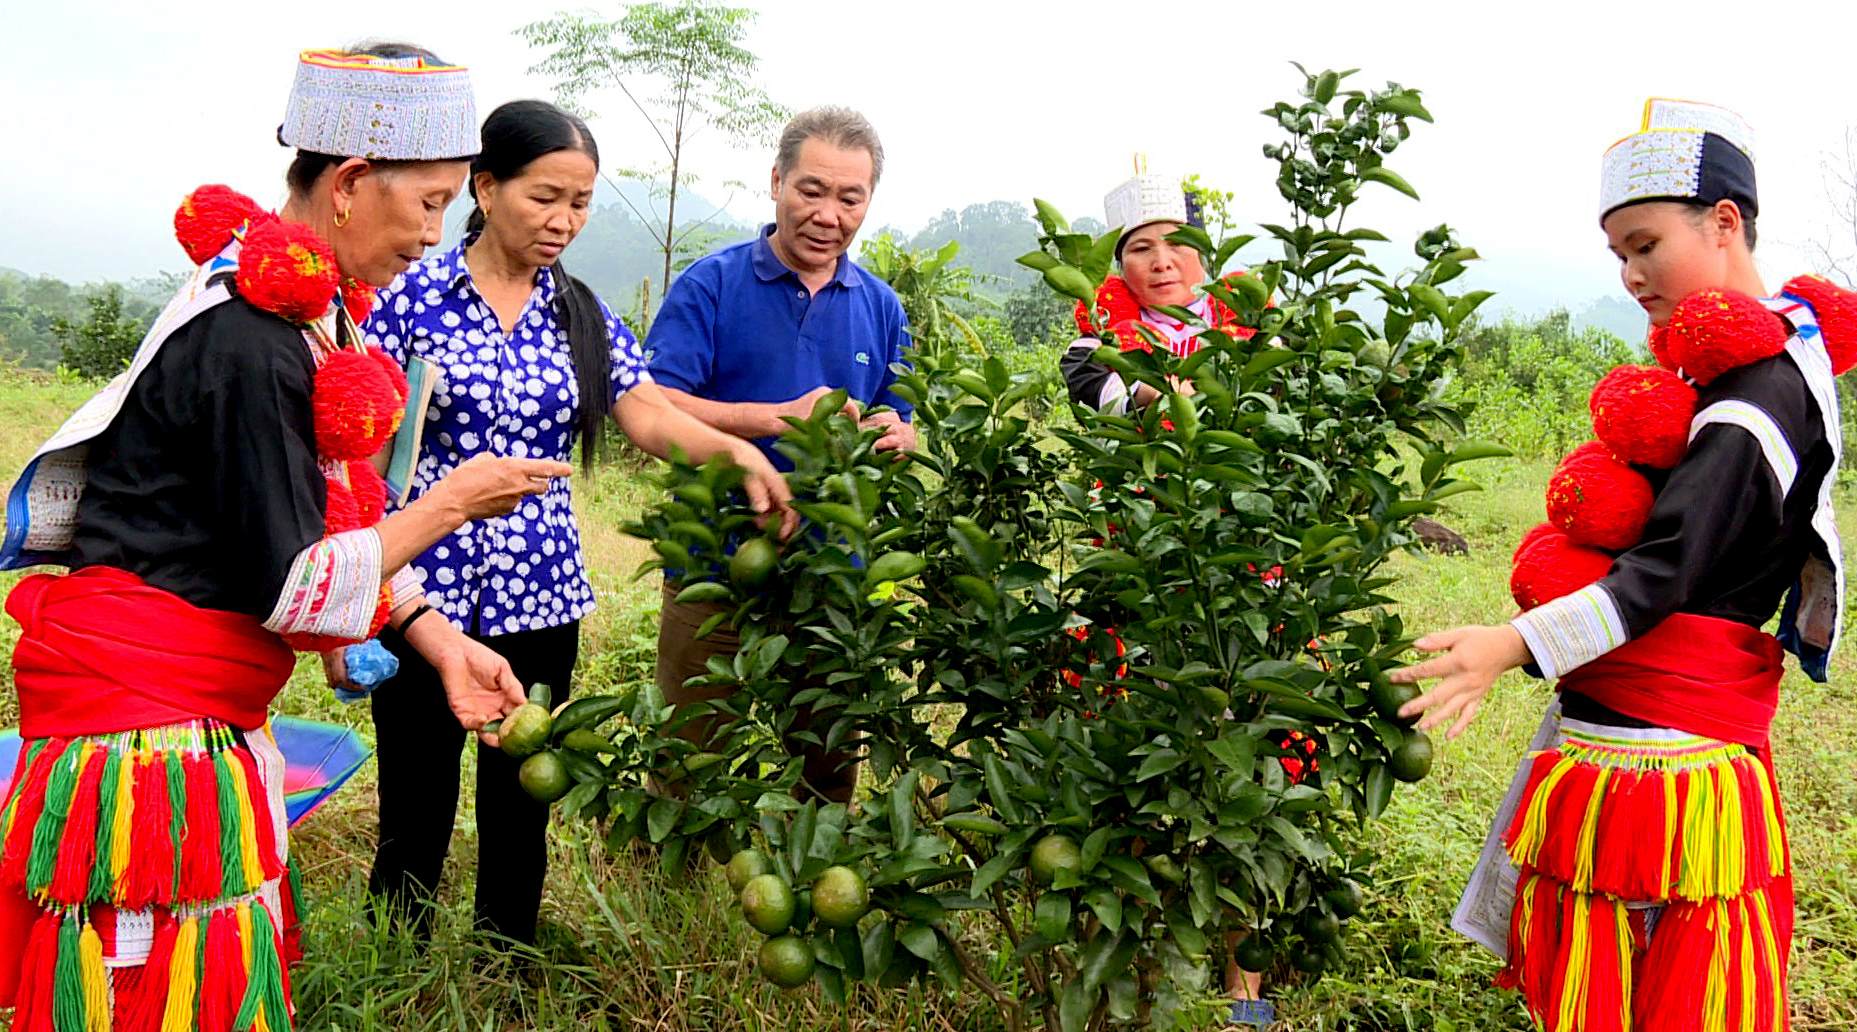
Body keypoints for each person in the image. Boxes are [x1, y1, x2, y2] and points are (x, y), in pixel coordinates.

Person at [0, 44, 558, 1027]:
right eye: (429, 203)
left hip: (186, 710)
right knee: (146, 985)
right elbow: (296, 583)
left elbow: (318, 524)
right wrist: (449, 505)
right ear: (348, 184)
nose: (437, 232)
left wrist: (437, 640)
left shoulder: (303, 313)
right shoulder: (253, 335)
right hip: (148, 735)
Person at [1393, 99, 1855, 1031]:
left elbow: (1666, 570)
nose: (1632, 273)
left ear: (1724, 223)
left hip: (1659, 766)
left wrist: (1513, 645)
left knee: (1647, 982)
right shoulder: (1731, 373)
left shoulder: (1757, 393)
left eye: (1645, 245)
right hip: (1640, 745)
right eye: (1617, 255)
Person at [350, 99, 793, 946]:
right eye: (545, 196)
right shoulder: (407, 297)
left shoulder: (579, 312)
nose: (564, 221)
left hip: (540, 595)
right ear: (485, 186)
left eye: (581, 203)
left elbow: (648, 413)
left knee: (526, 782)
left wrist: (737, 453)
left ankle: (506, 949)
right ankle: (395, 950)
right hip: (421, 588)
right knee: (417, 786)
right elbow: (362, 445)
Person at [646, 105, 914, 804]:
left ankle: (812, 876)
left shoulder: (881, 307)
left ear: (867, 202)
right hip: (714, 557)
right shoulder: (712, 284)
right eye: (811, 190)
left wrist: (899, 434)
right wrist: (771, 419)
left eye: (848, 197)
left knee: (825, 759)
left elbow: (896, 410)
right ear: (775, 182)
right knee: (688, 743)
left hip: (831, 568)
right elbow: (651, 403)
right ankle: (663, 892)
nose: (827, 213)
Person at [1061, 174, 1254, 413]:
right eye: (1142, 249)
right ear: (1121, 265)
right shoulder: (1102, 335)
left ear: (1203, 254)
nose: (1162, 263)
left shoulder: (1249, 319)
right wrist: (1152, 393)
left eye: (1177, 244)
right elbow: (1089, 384)